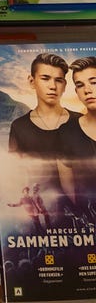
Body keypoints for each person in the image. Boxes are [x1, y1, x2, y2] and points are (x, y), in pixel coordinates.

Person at [8, 52, 76, 157]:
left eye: (58, 80)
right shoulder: (19, 126)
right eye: (45, 78)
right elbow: (13, 165)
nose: (53, 86)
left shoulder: (80, 121)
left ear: (64, 85)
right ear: (32, 81)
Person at [58, 56, 96, 220]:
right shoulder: (67, 132)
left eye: (94, 82)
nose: (87, 90)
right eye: (80, 85)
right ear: (76, 92)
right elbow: (68, 185)